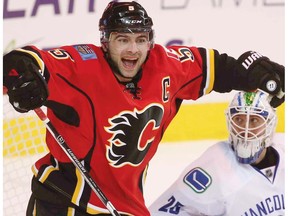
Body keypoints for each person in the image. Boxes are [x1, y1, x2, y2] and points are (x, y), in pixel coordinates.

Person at [2, 1, 284, 215]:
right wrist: (22, 75)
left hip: (126, 206)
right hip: (63, 201)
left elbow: (218, 68)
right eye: (122, 39)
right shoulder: (82, 65)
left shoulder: (167, 66)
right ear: (105, 41)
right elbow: (24, 61)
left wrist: (251, 72)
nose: (132, 50)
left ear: (150, 41)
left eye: (140, 40)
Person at [149, 90, 284, 216]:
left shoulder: (284, 149)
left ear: (269, 125)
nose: (245, 129)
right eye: (239, 120)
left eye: (254, 120)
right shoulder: (213, 168)